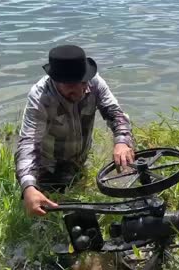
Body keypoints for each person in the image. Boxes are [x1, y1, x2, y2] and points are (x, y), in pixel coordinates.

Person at [15, 45, 135, 216]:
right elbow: (28, 144)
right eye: (71, 85)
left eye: (82, 82)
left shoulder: (95, 83)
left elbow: (116, 114)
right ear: (55, 81)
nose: (79, 90)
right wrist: (28, 187)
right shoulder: (40, 97)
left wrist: (122, 141)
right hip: (47, 170)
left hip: (78, 162)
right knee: (49, 220)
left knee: (83, 209)